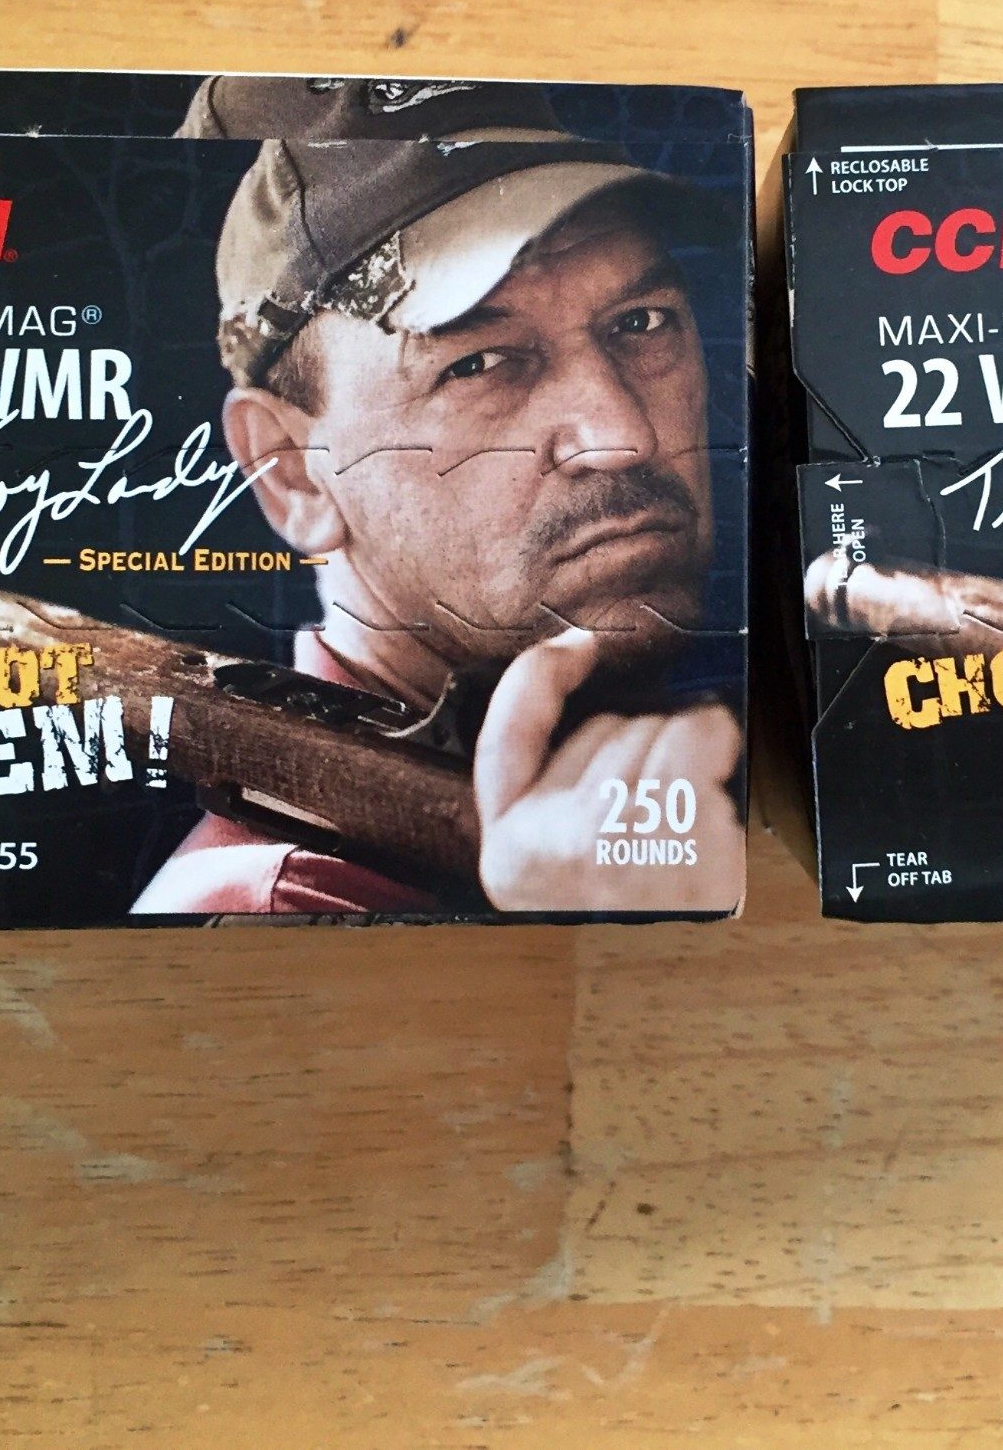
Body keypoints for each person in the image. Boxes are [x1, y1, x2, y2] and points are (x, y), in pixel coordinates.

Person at [132, 78, 744, 915]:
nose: (621, 436)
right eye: (477, 365)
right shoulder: (277, 914)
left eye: (641, 322)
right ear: (291, 470)